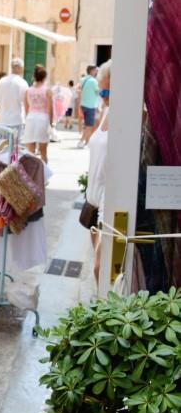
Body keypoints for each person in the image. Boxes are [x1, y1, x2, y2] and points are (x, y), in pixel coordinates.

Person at [86, 61, 111, 284]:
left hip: (107, 204)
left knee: (100, 270)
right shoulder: (107, 110)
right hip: (92, 204)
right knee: (100, 276)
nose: (102, 96)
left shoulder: (132, 117)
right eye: (100, 91)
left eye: (106, 91)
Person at [0, 58, 28, 138]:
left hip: (3, 122)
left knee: (4, 147)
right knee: (16, 148)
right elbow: (26, 104)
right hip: (17, 121)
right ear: (19, 68)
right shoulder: (22, 83)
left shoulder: (1, 82)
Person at [23, 64, 53, 163]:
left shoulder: (28, 90)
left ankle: (31, 176)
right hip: (42, 119)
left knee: (30, 152)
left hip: (31, 118)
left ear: (34, 76)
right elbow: (50, 108)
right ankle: (43, 176)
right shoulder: (47, 90)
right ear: (44, 77)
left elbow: (26, 108)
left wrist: (27, 119)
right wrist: (51, 123)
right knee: (43, 152)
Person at [78, 64, 99, 148]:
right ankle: (81, 141)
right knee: (89, 126)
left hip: (83, 105)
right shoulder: (94, 81)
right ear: (91, 71)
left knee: (86, 125)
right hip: (91, 106)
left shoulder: (82, 79)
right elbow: (98, 92)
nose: (96, 72)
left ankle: (87, 142)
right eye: (95, 70)